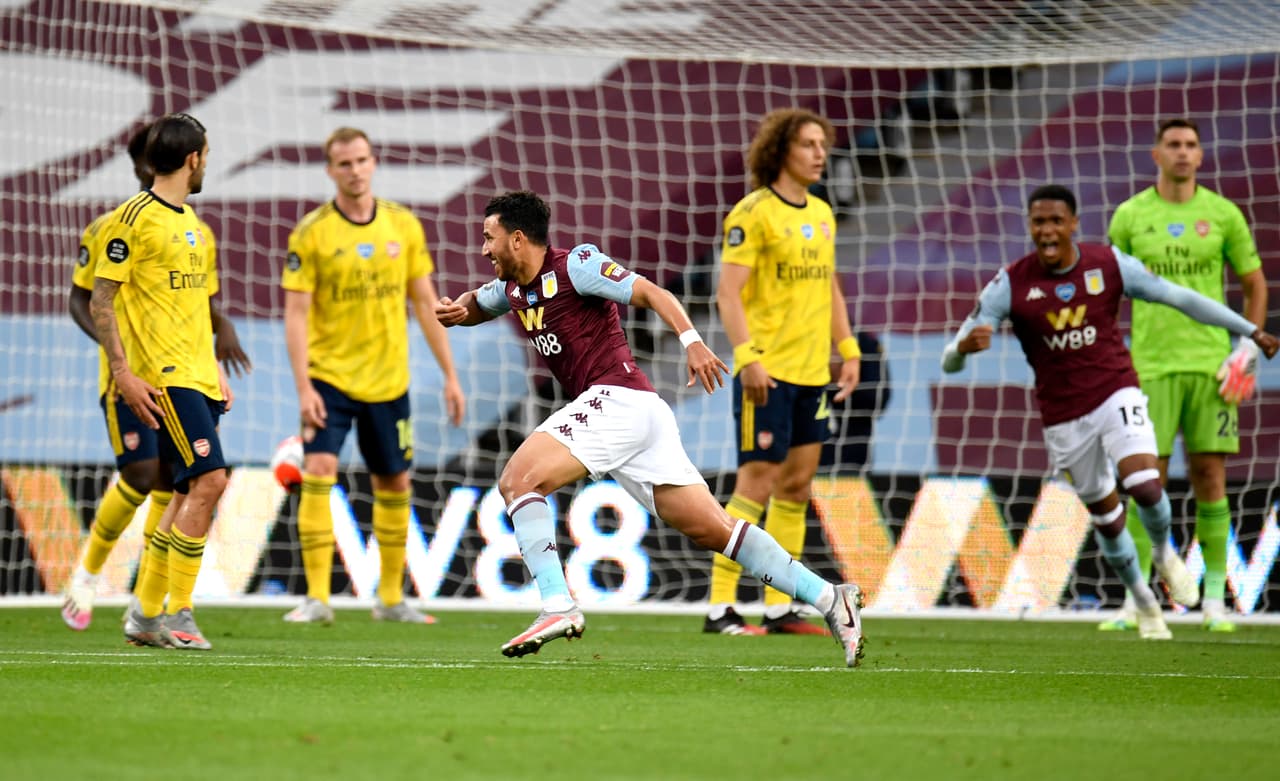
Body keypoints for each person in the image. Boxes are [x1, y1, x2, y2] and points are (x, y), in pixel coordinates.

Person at [435, 190, 866, 667]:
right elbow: (481, 302)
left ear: (518, 239)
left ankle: (557, 604)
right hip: (638, 417)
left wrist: (693, 342)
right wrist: (459, 311)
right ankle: (830, 598)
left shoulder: (576, 265)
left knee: (518, 480)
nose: (483, 249)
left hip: (618, 400)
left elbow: (653, 293)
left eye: (489, 239)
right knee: (714, 529)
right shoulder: (515, 288)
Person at [941, 184, 1278, 639]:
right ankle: (1141, 600)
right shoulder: (1010, 283)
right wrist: (963, 348)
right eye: (1039, 222)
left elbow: (1182, 298)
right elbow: (951, 357)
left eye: (1056, 221)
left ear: (1074, 224)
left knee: (1144, 482)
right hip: (1063, 415)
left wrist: (1250, 331)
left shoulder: (1108, 265)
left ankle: (1163, 551)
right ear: (1030, 226)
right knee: (1106, 513)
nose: (1047, 230)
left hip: (1115, 391)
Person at [60, 122, 250, 632]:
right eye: (205, 155)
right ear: (191, 159)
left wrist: (217, 352)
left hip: (194, 373)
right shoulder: (121, 223)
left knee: (173, 487)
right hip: (144, 374)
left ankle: (146, 609)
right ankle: (107, 585)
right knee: (154, 477)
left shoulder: (196, 228)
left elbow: (198, 307)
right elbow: (90, 297)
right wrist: (119, 365)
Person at [281, 127, 466, 625]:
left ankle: (389, 598)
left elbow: (425, 304)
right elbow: (295, 314)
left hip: (388, 380)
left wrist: (450, 374)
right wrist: (303, 387)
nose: (355, 170)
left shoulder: (402, 226)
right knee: (318, 469)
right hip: (330, 378)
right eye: (344, 163)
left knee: (394, 480)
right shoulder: (312, 232)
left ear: (373, 162)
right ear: (330, 170)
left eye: (362, 160)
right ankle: (317, 598)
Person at [1099, 118, 1268, 633]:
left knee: (1210, 478)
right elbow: (1105, 290)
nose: (1182, 152)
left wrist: (1248, 346)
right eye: (1173, 144)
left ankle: (1215, 601)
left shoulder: (1221, 214)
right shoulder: (1130, 216)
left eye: (1191, 145)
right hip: (1149, 364)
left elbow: (1254, 283)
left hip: (1211, 364)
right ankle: (1138, 601)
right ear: (1156, 154)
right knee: (1145, 481)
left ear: (1200, 156)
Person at [706, 108, 861, 636]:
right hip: (767, 372)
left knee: (796, 487)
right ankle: (720, 606)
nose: (820, 153)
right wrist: (746, 357)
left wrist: (849, 348)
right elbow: (727, 294)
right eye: (808, 144)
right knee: (756, 484)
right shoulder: (753, 213)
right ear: (781, 152)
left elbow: (830, 286)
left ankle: (781, 606)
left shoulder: (822, 212)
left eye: (823, 144)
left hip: (813, 372)